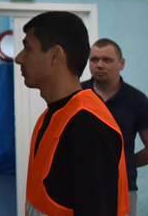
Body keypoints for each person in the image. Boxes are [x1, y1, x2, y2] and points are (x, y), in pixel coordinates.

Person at [15, 11, 130, 216]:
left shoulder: (88, 127)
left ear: (55, 55)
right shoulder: (53, 116)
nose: (18, 58)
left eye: (28, 48)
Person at [81, 38, 148, 216]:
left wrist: (123, 165)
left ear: (121, 63)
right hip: (81, 187)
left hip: (122, 188)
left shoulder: (137, 100)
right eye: (94, 60)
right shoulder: (77, 95)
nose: (99, 65)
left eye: (107, 60)